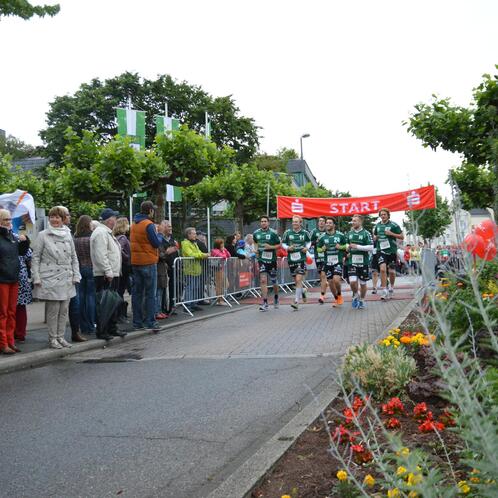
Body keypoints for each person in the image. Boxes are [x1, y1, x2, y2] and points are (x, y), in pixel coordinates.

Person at [32, 206, 81, 349]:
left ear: (62, 219)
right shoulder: (43, 235)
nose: (54, 220)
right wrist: (36, 277)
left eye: (57, 217)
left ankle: (61, 337)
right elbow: (35, 257)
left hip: (66, 276)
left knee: (64, 310)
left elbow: (74, 257)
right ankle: (53, 338)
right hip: (50, 276)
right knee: (53, 311)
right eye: (52, 217)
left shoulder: (68, 234)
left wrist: (76, 274)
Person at [91, 208, 125, 340]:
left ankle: (111, 328)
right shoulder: (101, 233)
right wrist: (108, 271)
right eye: (114, 218)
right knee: (105, 303)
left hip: (111, 273)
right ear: (109, 220)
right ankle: (103, 330)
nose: (116, 220)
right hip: (105, 274)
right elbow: (101, 254)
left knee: (111, 302)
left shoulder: (106, 232)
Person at [0, 209, 30, 354]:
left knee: (12, 312)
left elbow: (21, 252)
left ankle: (10, 341)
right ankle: (3, 342)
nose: (9, 222)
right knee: (3, 313)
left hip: (13, 278)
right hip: (2, 279)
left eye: (9, 219)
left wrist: (25, 241)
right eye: (5, 219)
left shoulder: (12, 236)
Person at [130, 201, 162, 331]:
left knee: (137, 293)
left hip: (135, 261)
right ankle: (150, 321)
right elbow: (156, 243)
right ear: (150, 210)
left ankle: (137, 322)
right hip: (148, 261)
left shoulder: (133, 224)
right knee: (150, 294)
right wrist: (159, 234)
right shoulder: (148, 224)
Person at [373, 208, 404, 301]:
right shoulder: (377, 225)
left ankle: (391, 287)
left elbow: (402, 236)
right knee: (382, 270)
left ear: (388, 215)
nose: (383, 216)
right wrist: (375, 237)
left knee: (391, 272)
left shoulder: (394, 225)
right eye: (381, 215)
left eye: (384, 214)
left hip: (391, 250)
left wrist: (391, 234)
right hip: (381, 250)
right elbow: (374, 236)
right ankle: (384, 290)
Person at [281, 215, 311, 311]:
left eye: (296, 222)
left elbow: (309, 242)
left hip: (301, 259)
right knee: (296, 281)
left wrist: (306, 248)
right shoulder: (287, 233)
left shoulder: (305, 233)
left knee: (298, 279)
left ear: (300, 223)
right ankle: (303, 291)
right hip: (291, 259)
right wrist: (287, 248)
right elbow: (283, 243)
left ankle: (296, 302)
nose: (294, 223)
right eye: (293, 221)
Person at [73, 215, 95, 338]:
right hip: (91, 268)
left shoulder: (75, 238)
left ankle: (82, 325)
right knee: (90, 297)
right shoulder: (92, 237)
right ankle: (91, 325)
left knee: (80, 298)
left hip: (80, 269)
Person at [345, 214, 373, 310]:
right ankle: (356, 295)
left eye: (355, 221)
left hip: (363, 262)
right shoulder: (349, 233)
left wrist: (357, 247)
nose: (353, 223)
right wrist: (347, 248)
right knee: (352, 282)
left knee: (363, 284)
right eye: (352, 221)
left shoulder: (366, 233)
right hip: (352, 261)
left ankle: (362, 300)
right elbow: (346, 244)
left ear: (360, 222)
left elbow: (371, 247)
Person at [316, 217, 346, 307]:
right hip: (327, 262)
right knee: (330, 282)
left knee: (336, 280)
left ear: (334, 225)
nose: (328, 224)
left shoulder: (340, 235)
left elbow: (347, 245)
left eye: (330, 223)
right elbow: (318, 249)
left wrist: (340, 247)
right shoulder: (322, 237)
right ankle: (336, 299)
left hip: (337, 261)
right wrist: (322, 249)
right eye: (327, 223)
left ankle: (339, 295)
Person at [253, 216, 281, 311]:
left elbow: (279, 245)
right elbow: (255, 242)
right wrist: (256, 250)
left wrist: (270, 247)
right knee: (263, 280)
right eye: (262, 221)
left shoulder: (273, 233)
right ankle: (265, 302)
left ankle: (276, 297)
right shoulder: (256, 233)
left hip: (272, 260)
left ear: (268, 223)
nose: (263, 223)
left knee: (274, 281)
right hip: (262, 260)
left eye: (265, 221)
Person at [181, 227, 209, 312]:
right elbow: (191, 254)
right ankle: (187, 305)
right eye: (194, 233)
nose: (195, 235)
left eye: (195, 233)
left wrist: (205, 254)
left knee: (195, 288)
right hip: (190, 270)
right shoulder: (185, 244)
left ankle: (193, 304)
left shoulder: (194, 243)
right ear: (188, 234)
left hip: (196, 269)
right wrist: (204, 255)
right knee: (190, 288)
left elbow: (199, 252)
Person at [14, 236, 33, 344]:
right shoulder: (21, 241)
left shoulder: (12, 241)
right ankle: (20, 334)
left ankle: (14, 333)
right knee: (20, 308)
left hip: (13, 277)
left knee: (11, 308)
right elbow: (30, 262)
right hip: (22, 277)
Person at [113, 217, 131, 321]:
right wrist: (127, 257)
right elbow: (119, 249)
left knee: (119, 290)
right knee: (120, 290)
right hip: (124, 267)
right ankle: (119, 314)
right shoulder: (123, 238)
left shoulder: (115, 236)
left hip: (120, 266)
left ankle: (118, 313)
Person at [161, 221, 179, 314]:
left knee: (173, 287)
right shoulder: (160, 239)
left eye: (171, 226)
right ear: (163, 227)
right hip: (163, 266)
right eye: (168, 226)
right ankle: (163, 308)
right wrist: (166, 252)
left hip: (173, 266)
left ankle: (172, 306)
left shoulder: (172, 239)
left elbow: (176, 251)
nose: (170, 228)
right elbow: (161, 253)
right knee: (163, 288)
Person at [311, 216, 328, 304]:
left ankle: (322, 295)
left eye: (323, 221)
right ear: (318, 223)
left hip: (327, 256)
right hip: (318, 255)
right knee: (321, 275)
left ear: (325, 223)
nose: (321, 222)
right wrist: (316, 242)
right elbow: (309, 243)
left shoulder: (328, 231)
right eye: (320, 221)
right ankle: (325, 285)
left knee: (323, 275)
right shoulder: (314, 232)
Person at [211, 238, 231, 305]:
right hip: (217, 269)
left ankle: (220, 299)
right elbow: (222, 256)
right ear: (218, 244)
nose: (223, 245)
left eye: (223, 243)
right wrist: (223, 251)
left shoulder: (222, 250)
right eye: (221, 243)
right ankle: (220, 300)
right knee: (219, 285)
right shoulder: (214, 251)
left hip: (222, 268)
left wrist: (225, 250)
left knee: (226, 284)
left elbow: (229, 255)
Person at [156, 221, 169, 319]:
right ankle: (157, 311)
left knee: (160, 292)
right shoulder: (157, 242)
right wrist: (167, 252)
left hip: (161, 269)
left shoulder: (159, 241)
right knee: (158, 292)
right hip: (158, 269)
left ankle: (159, 310)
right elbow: (160, 255)